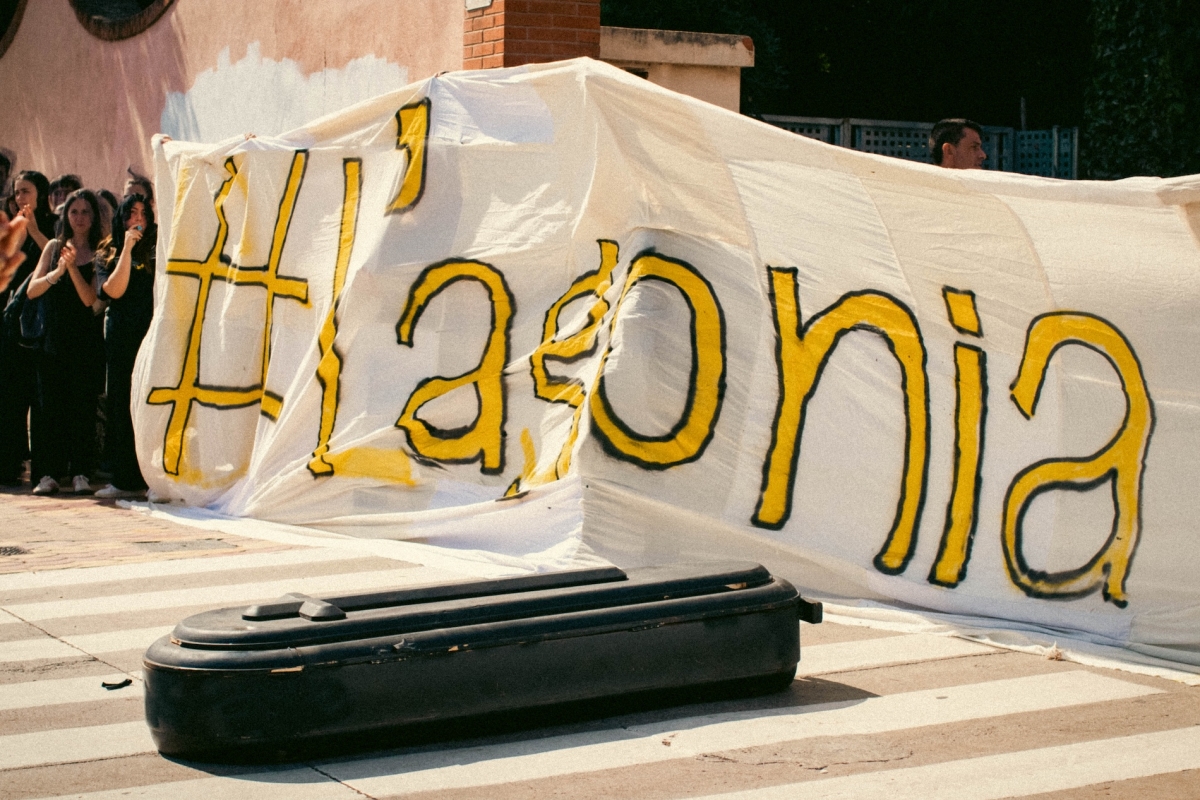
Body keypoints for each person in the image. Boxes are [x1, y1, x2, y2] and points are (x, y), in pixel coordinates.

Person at [24, 189, 106, 495]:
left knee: (81, 406)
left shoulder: (100, 251)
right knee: (48, 407)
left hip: (84, 338)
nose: (80, 218)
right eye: (75, 212)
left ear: (94, 217)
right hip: (52, 338)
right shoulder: (54, 247)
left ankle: (80, 471)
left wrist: (72, 268)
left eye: (86, 212)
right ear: (66, 216)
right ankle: (46, 473)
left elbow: (90, 299)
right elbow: (33, 290)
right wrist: (57, 271)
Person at [94, 194, 156, 499]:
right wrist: (128, 249)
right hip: (121, 335)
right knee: (121, 403)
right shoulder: (109, 251)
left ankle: (152, 478)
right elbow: (113, 291)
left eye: (144, 213)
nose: (139, 219)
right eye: (133, 213)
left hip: (151, 332)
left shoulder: (158, 248)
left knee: (151, 400)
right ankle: (124, 478)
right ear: (122, 218)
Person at [0, 171, 57, 485]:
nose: (21, 198)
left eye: (27, 191)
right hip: (9, 319)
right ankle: (7, 465)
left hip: (39, 323)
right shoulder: (8, 227)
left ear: (40, 195)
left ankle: (44, 469)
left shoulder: (49, 225)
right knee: (9, 397)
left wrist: (33, 230)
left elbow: (53, 254)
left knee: (39, 398)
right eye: (17, 192)